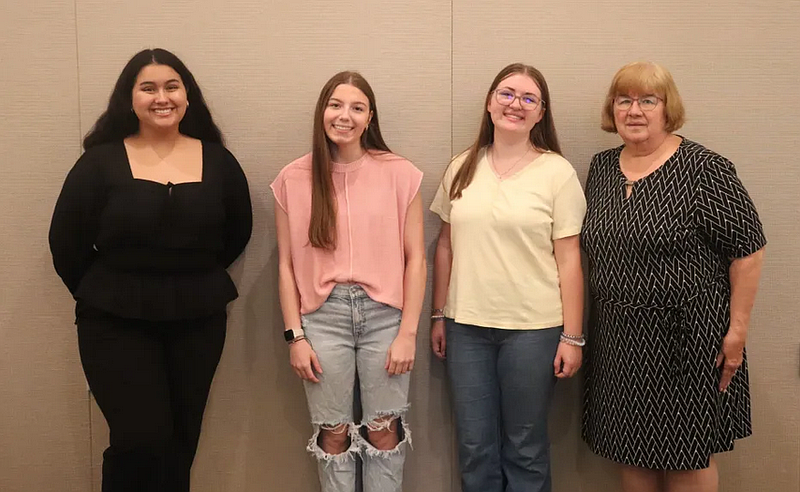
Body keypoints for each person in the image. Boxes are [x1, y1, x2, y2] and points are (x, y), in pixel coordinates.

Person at [49, 48, 252, 492]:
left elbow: (237, 235)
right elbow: (66, 244)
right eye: (148, 87)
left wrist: (190, 276)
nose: (162, 97)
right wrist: (103, 290)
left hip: (197, 318)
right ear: (130, 98)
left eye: (171, 86)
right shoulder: (99, 163)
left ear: (187, 96)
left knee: (182, 440)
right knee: (140, 439)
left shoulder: (219, 162)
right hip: (114, 320)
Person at [581, 61, 766, 492]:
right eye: (624, 100)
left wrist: (737, 332)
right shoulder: (602, 168)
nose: (635, 110)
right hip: (619, 338)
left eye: (649, 100)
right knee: (630, 451)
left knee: (686, 457)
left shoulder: (705, 169)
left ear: (667, 109)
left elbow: (749, 253)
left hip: (687, 339)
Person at [429, 63, 586, 492]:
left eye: (528, 98)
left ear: (540, 114)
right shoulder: (461, 167)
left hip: (533, 331)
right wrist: (439, 315)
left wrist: (573, 337)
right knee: (475, 445)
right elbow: (445, 245)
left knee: (525, 446)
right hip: (466, 329)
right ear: (489, 103)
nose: (515, 104)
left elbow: (570, 259)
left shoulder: (557, 173)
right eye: (506, 93)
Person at [271, 71, 425, 492]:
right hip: (322, 319)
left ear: (370, 117)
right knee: (333, 434)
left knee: (383, 430)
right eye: (336, 105)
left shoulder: (400, 174)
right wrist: (294, 337)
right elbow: (285, 265)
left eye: (357, 108)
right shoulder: (292, 179)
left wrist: (408, 332)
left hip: (384, 317)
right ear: (322, 111)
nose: (345, 116)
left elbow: (416, 260)